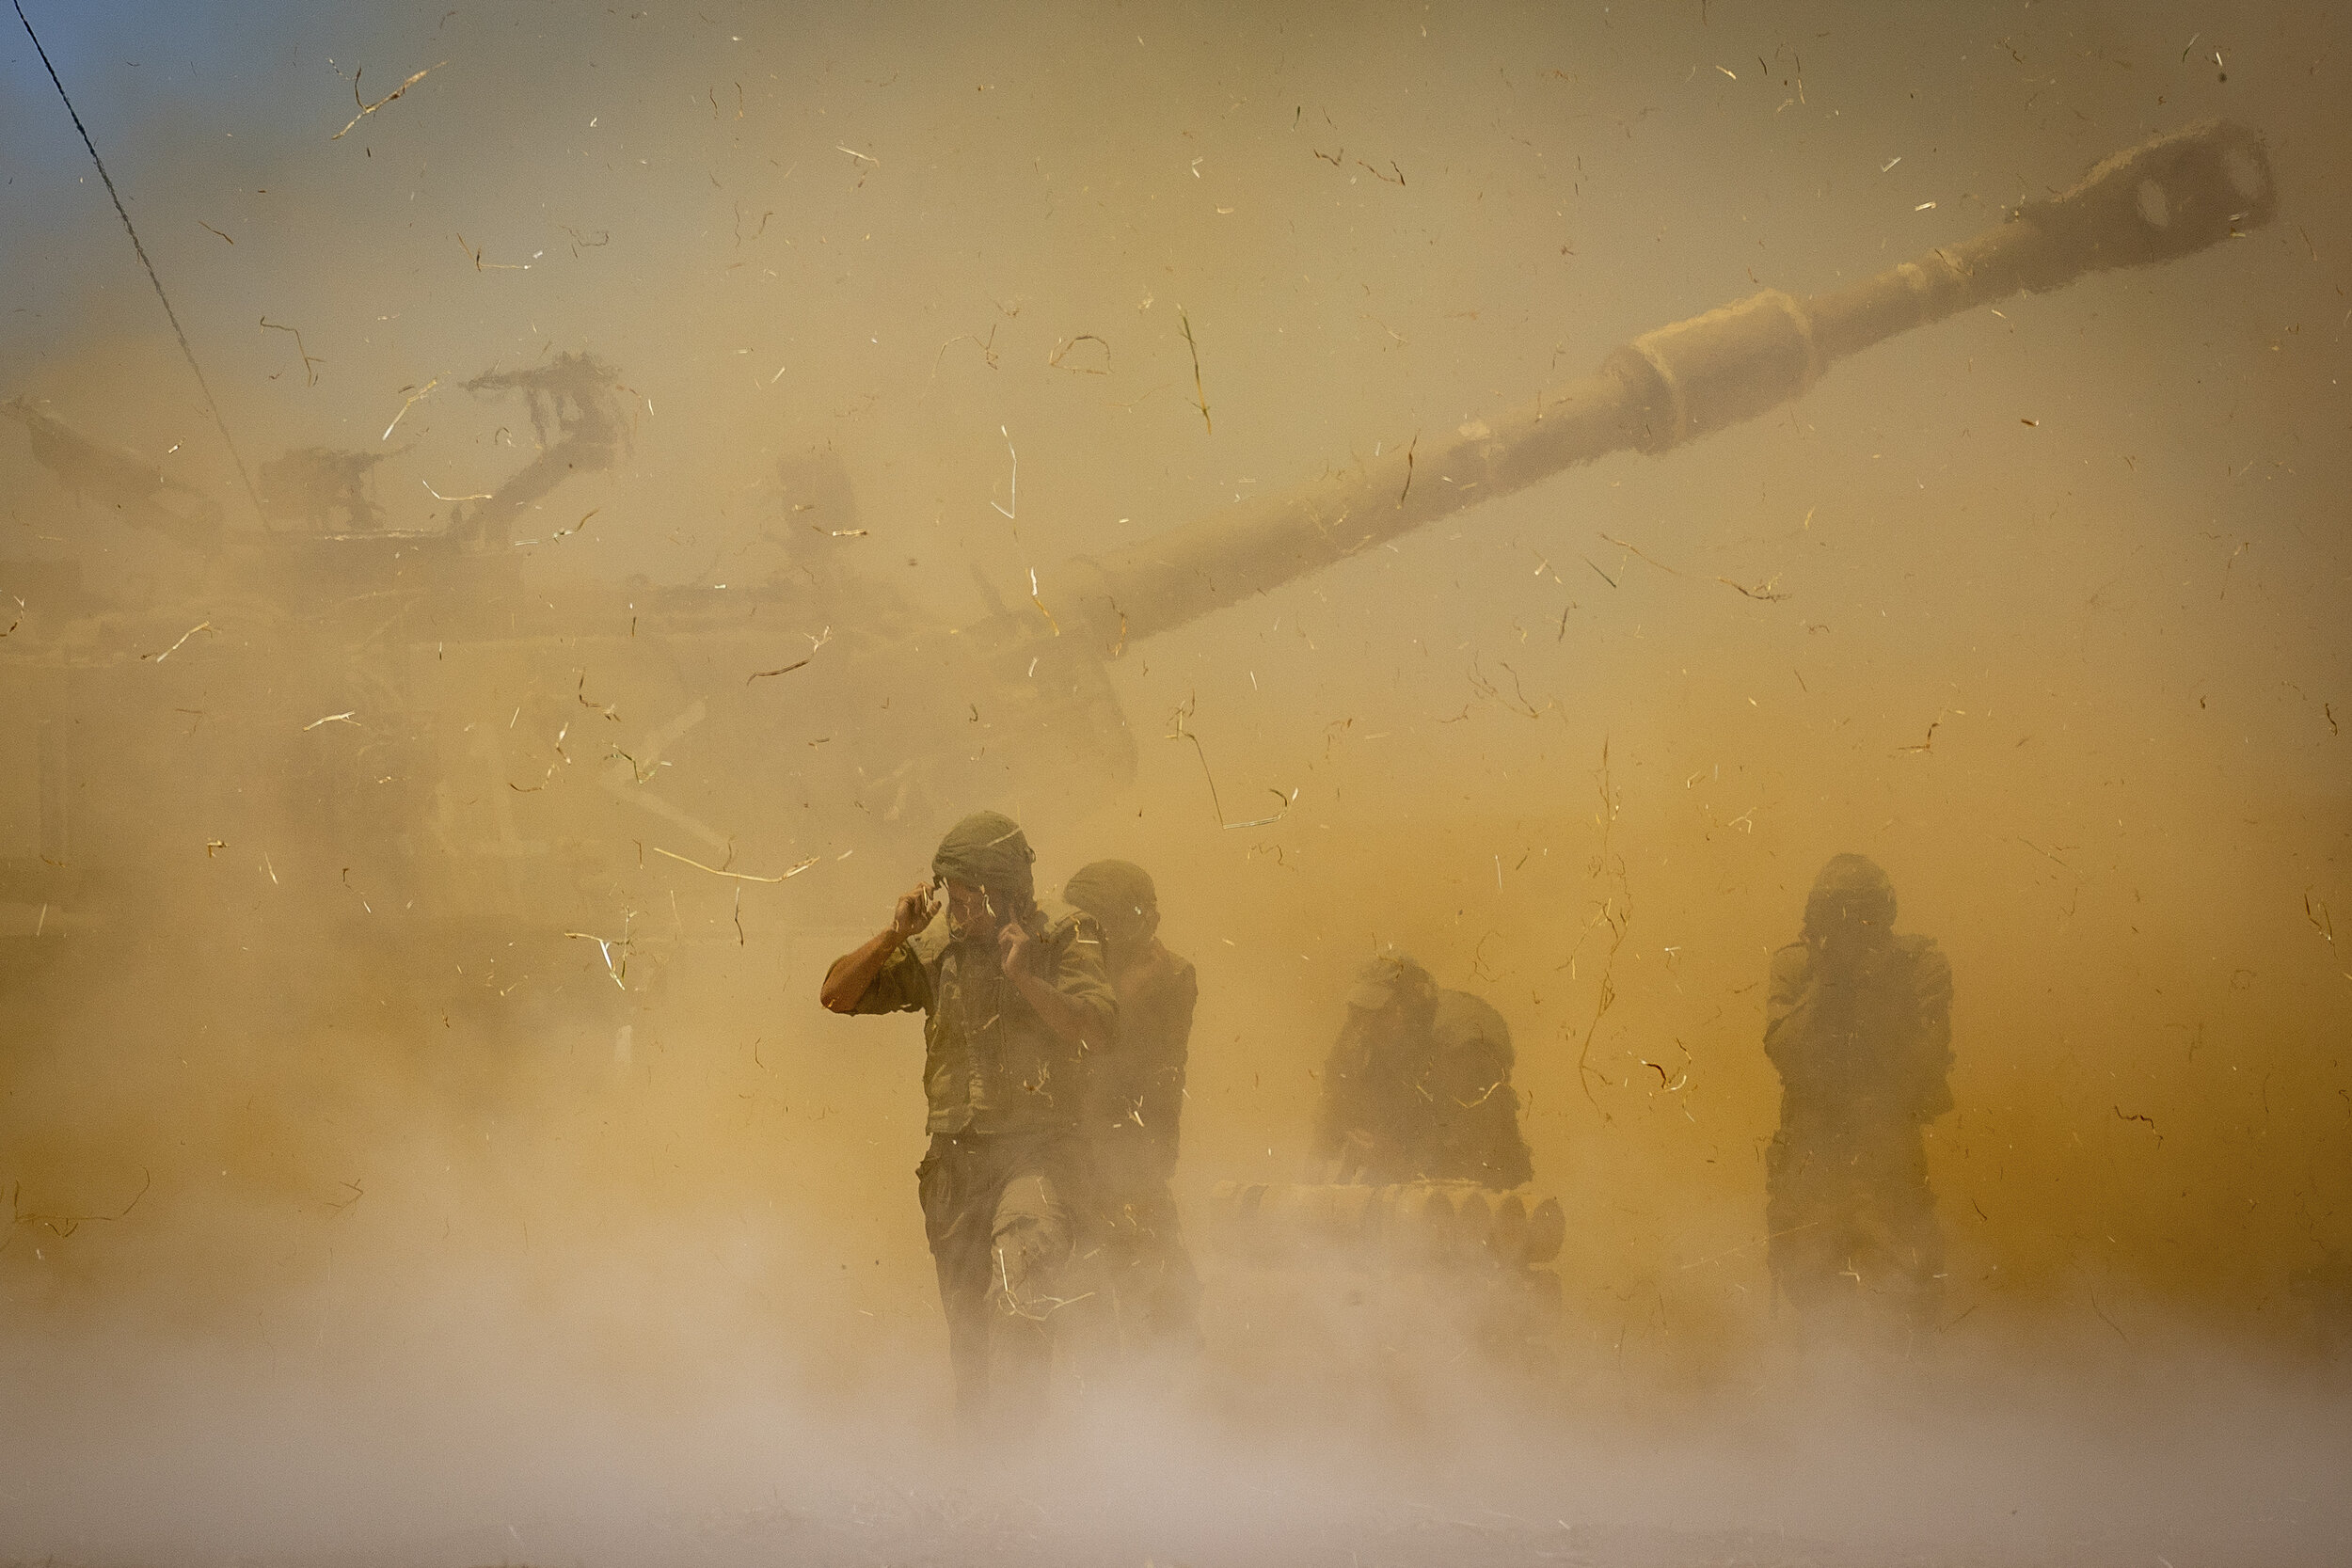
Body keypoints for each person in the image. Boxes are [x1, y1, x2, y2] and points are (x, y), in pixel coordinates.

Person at [819, 811, 1116, 1433]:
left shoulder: (1064, 935)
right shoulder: (937, 948)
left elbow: (1095, 1028)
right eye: (950, 887)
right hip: (956, 1162)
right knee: (970, 1328)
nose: (958, 903)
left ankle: (1024, 1451)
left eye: (972, 889)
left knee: (1021, 1300)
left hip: (1037, 1156)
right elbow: (836, 995)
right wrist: (891, 936)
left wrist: (1026, 978)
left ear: (1010, 889)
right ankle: (983, 1462)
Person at [1763, 853, 1954, 1332]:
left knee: (1904, 1308)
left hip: (1887, 1168)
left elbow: (1921, 1067)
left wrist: (1874, 986)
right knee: (1814, 1309)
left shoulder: (1917, 967)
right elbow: (1786, 1053)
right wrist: (1827, 984)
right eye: (1839, 920)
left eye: (1862, 919)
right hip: (1813, 1171)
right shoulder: (1797, 968)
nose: (1850, 934)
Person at [1062, 859, 1200, 1356]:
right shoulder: (1078, 967)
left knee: (1160, 1294)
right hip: (1072, 1155)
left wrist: (1119, 995)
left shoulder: (1169, 977)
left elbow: (1127, 1055)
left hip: (1130, 1160)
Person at [1311, 948, 1534, 1191]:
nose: (1367, 1026)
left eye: (1383, 1013)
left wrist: (1396, 1160)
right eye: (1361, 1014)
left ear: (1412, 1006)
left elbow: (1470, 1157)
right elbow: (1335, 1108)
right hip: (1396, 1183)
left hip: (1479, 1193)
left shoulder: (1461, 1047)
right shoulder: (1364, 1032)